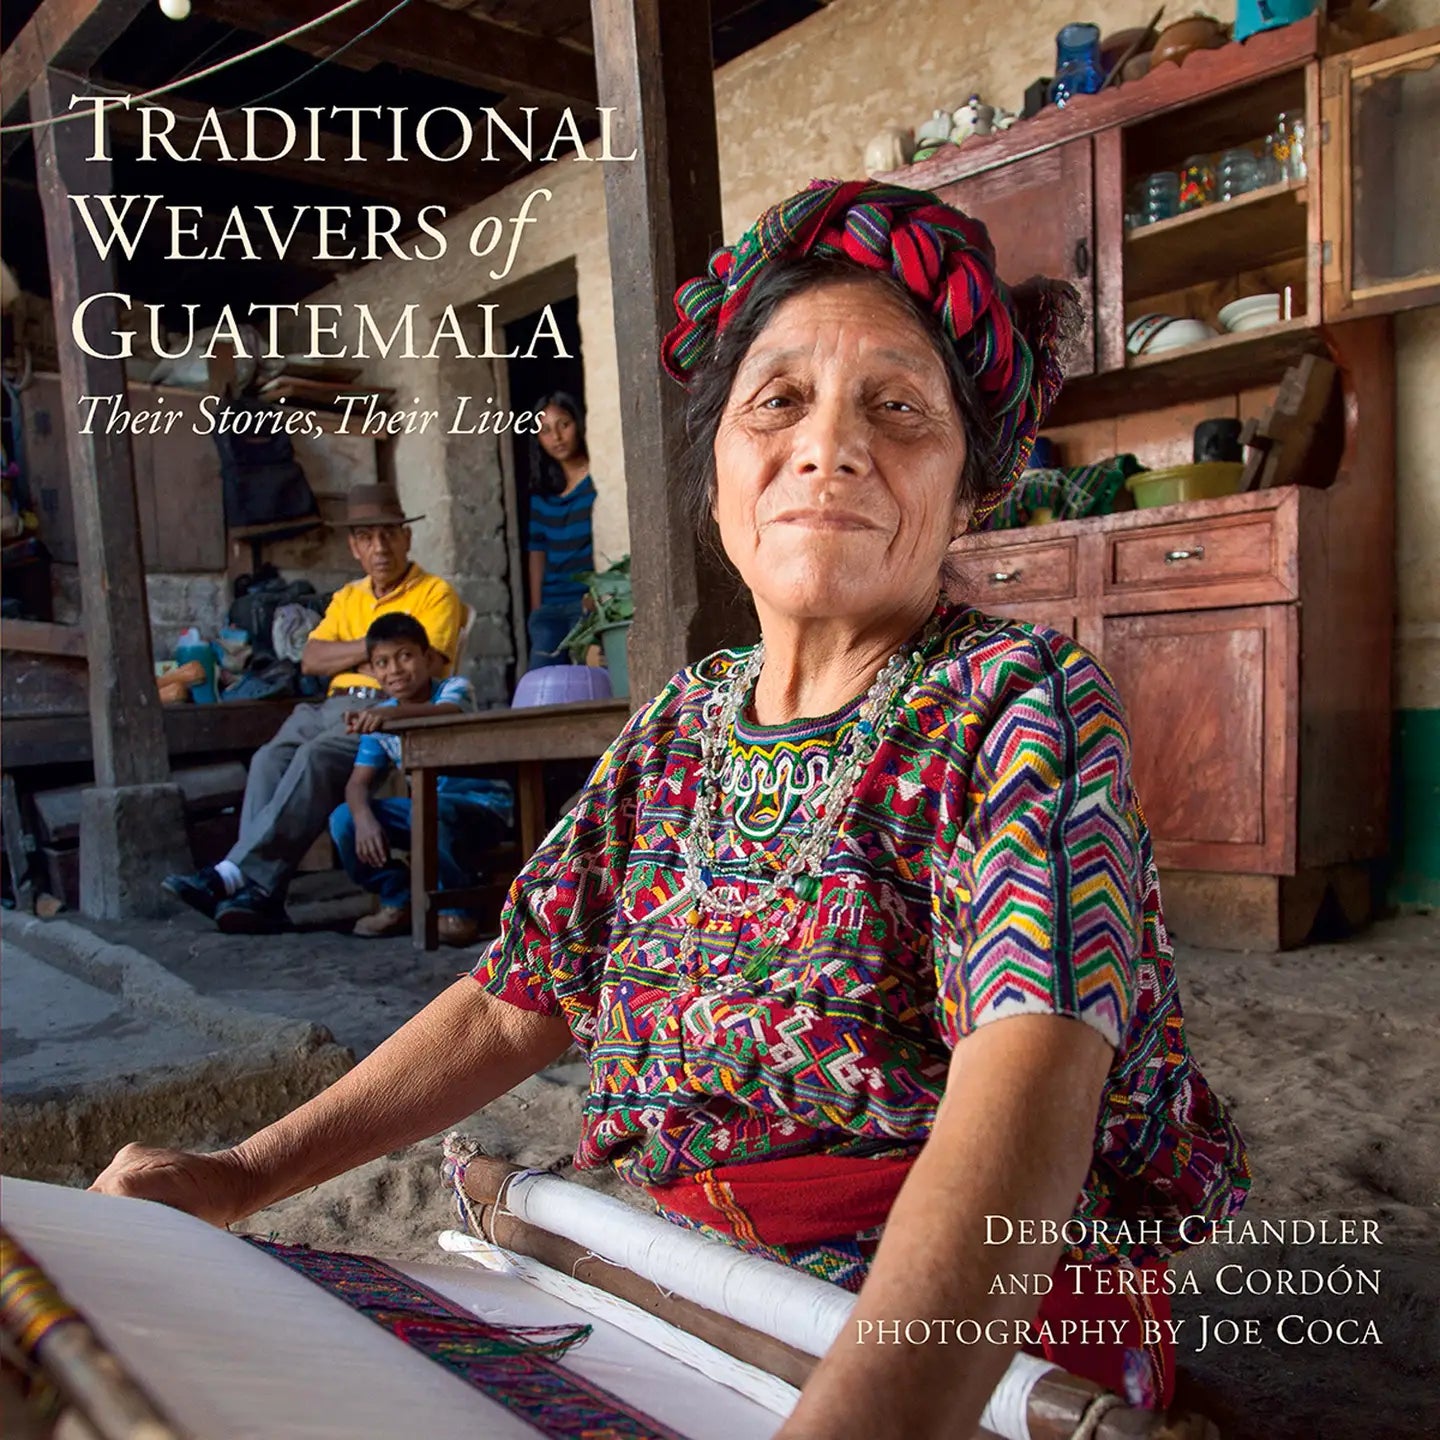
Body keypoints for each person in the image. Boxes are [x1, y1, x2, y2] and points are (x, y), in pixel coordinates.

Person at [97, 182, 1248, 1439]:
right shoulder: (685, 725)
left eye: (900, 408)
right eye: (780, 400)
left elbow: (1028, 1082)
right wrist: (240, 1173)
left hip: (969, 1319)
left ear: (973, 490)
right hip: (695, 1273)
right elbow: (513, 992)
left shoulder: (1014, 700)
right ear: (716, 475)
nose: (832, 447)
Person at [163, 485, 463, 934]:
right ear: (354, 546)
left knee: (316, 757)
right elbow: (310, 659)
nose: (379, 547)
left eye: (388, 534)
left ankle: (235, 878)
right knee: (269, 759)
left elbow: (431, 663)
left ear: (406, 538)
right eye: (366, 536)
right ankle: (262, 892)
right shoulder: (347, 597)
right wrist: (377, 646)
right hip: (328, 704)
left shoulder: (435, 593)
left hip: (388, 707)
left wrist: (357, 656)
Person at [329, 613, 511, 947]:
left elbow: (448, 715)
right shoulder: (379, 718)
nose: (395, 670)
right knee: (343, 818)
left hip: (482, 808)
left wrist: (386, 715)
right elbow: (357, 784)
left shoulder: (454, 689)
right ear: (371, 672)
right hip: (426, 812)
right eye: (382, 662)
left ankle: (458, 908)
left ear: (428, 659)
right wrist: (364, 818)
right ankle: (398, 897)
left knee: (430, 809)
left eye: (405, 656)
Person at [524, 392, 596, 668]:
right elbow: (537, 553)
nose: (556, 437)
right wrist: (537, 609)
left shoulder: (597, 480)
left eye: (563, 425)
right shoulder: (543, 496)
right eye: (545, 431)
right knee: (541, 680)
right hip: (551, 607)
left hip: (588, 605)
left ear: (578, 423)